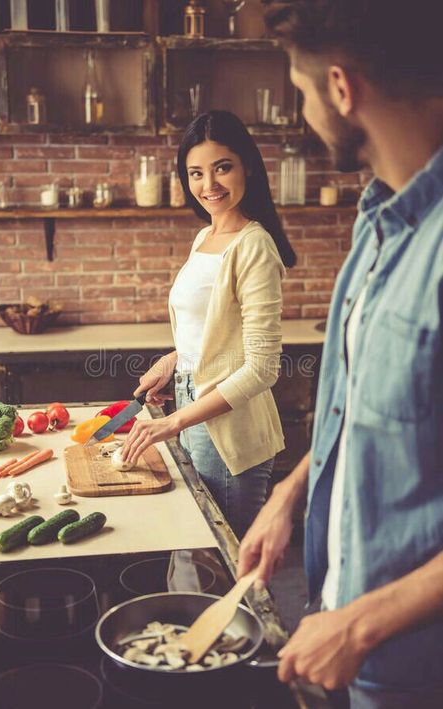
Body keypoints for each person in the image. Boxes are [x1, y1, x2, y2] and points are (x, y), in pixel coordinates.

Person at [238, 1, 443, 707]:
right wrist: (289, 493)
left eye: (299, 92)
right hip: (349, 643)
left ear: (340, 87)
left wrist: (357, 625)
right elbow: (365, 409)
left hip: (417, 669)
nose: (303, 113)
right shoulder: (378, 221)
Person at [121, 110, 296, 539]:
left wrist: (172, 423)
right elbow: (213, 332)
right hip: (191, 409)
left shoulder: (254, 246)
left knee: (225, 567)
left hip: (229, 432)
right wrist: (175, 361)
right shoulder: (205, 237)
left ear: (247, 167)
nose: (209, 185)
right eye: (195, 173)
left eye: (222, 168)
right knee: (193, 553)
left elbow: (261, 368)